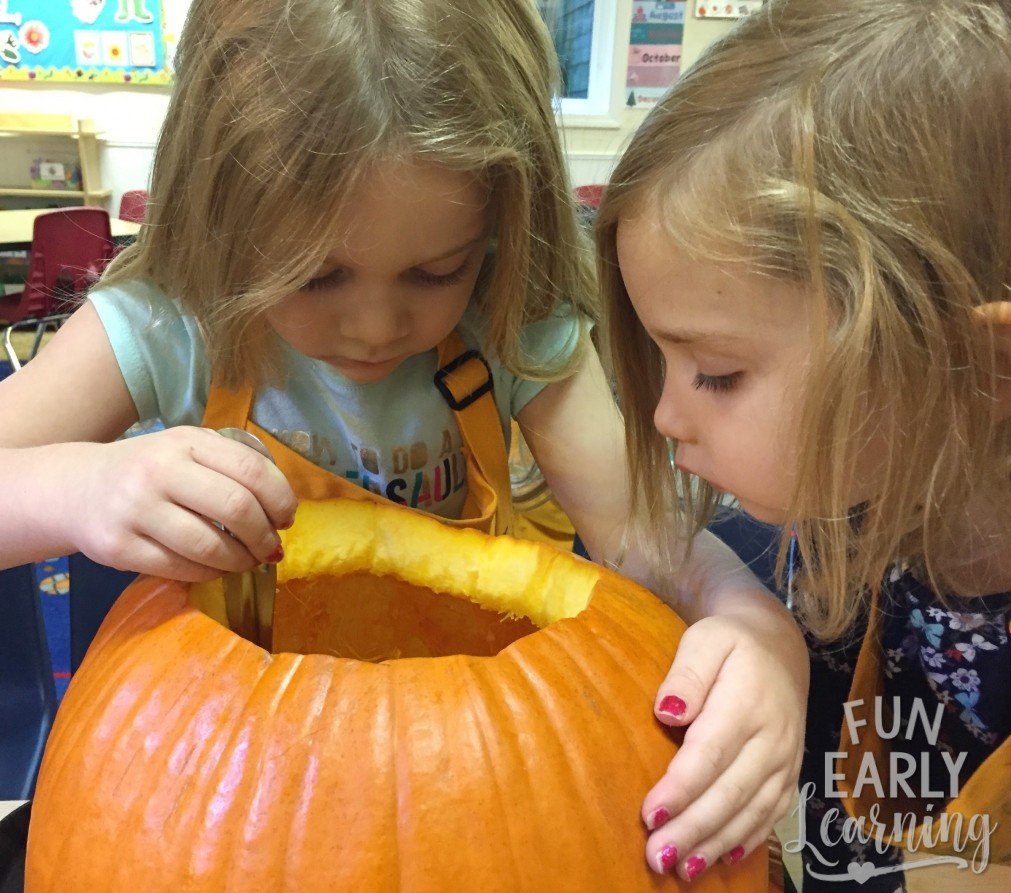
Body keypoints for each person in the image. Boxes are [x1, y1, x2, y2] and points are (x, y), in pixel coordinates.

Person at [0, 0, 807, 882]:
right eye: (314, 273)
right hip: (225, 787)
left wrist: (756, 625)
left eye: (437, 271)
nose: (379, 324)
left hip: (467, 792)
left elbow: (641, 530)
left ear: (501, 227)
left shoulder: (510, 331)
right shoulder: (167, 327)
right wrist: (76, 487)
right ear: (223, 219)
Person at [596, 0, 1011, 889]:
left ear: (975, 370)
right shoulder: (806, 516)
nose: (666, 415)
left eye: (715, 373)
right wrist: (745, 630)